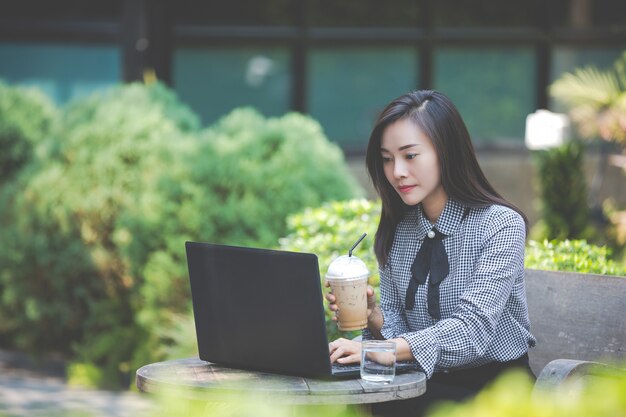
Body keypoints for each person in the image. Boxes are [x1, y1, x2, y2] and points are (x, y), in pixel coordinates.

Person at [326, 90, 536, 416]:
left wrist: (384, 350)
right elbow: (399, 327)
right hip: (423, 383)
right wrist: (373, 318)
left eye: (410, 156)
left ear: (446, 153)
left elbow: (473, 329)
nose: (396, 171)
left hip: (496, 391)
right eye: (386, 158)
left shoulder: (500, 225)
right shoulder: (398, 230)